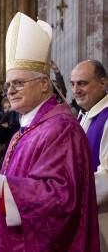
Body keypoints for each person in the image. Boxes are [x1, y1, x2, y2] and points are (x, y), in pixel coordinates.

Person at [0, 12, 99, 251]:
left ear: (43, 84)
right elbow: (20, 183)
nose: (10, 91)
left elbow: (60, 200)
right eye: (8, 84)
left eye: (19, 83)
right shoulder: (28, 127)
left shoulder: (61, 129)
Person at [71, 59, 108, 251]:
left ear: (103, 83)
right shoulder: (83, 115)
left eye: (82, 83)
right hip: (83, 217)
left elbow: (107, 177)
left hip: (102, 220)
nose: (75, 90)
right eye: (73, 84)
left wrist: (66, 192)